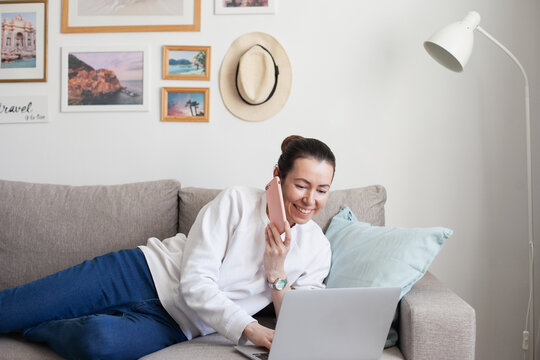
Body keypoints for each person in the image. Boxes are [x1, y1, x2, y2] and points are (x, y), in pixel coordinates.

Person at [0, 135, 336, 360]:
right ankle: (28, 315)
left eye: (322, 190)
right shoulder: (235, 201)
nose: (310, 200)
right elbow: (194, 284)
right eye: (301, 185)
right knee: (12, 307)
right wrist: (249, 328)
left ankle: (35, 326)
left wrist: (277, 273)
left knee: (97, 343)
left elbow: (298, 324)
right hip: (140, 273)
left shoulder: (317, 249)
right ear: (277, 177)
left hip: (177, 323)